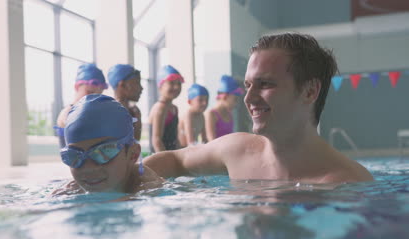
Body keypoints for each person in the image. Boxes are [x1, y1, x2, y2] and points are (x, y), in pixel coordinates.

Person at [144, 32, 373, 184]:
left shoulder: (346, 182)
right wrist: (133, 179)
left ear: (310, 91)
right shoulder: (236, 151)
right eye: (248, 85)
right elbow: (175, 160)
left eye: (265, 84)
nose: (248, 98)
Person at [53, 94, 163, 195]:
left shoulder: (148, 186)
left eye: (104, 152)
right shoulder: (71, 190)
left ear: (133, 154)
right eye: (74, 156)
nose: (87, 168)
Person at [55, 63, 107, 148]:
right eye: (89, 92)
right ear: (77, 87)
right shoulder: (67, 112)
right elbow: (76, 128)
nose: (92, 98)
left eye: (98, 95)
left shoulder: (94, 113)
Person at [149, 65, 184, 153]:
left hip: (169, 154)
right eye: (171, 83)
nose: (176, 87)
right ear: (160, 86)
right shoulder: (160, 108)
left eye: (179, 83)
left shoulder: (174, 108)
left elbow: (175, 139)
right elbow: (156, 141)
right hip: (159, 157)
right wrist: (166, 162)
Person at [107, 64, 143, 141]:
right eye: (137, 83)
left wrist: (138, 118)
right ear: (122, 85)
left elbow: (135, 140)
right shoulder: (113, 112)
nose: (141, 88)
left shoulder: (133, 111)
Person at [205, 75, 243, 141]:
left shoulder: (229, 114)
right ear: (225, 96)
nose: (236, 104)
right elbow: (211, 142)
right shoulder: (211, 114)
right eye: (235, 99)